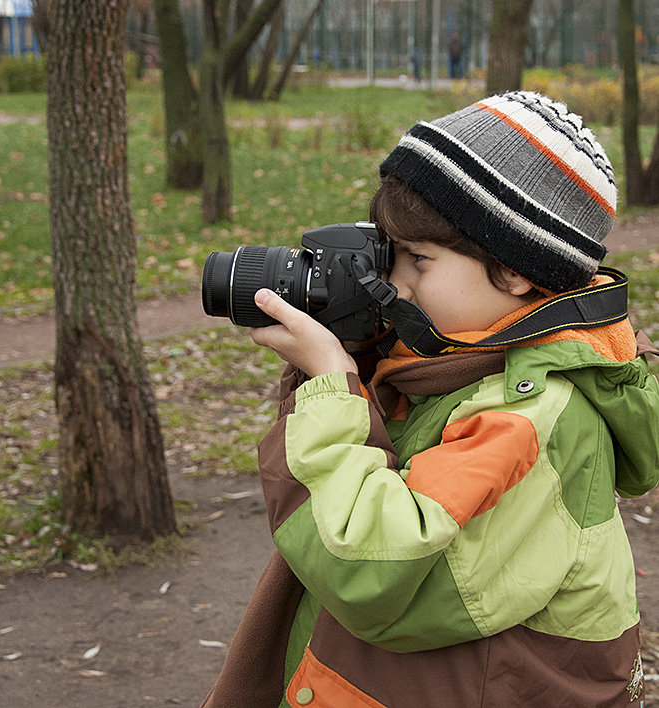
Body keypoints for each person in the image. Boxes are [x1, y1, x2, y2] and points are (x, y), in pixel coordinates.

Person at [201, 91, 659, 707]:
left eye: (419, 259)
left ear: (517, 271)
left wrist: (332, 390)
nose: (395, 283)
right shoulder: (457, 362)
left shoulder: (529, 416)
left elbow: (374, 573)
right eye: (393, 254)